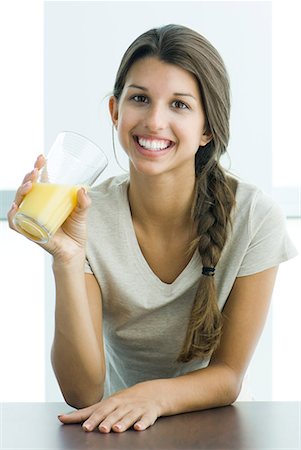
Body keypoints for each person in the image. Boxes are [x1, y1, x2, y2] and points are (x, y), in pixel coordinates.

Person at [8, 24, 297, 433]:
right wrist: (68, 259)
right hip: (121, 428)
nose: (154, 120)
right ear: (115, 111)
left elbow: (229, 375)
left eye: (179, 105)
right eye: (140, 99)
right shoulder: (86, 214)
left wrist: (152, 395)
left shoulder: (254, 217)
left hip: (218, 430)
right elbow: (82, 393)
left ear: (207, 129)